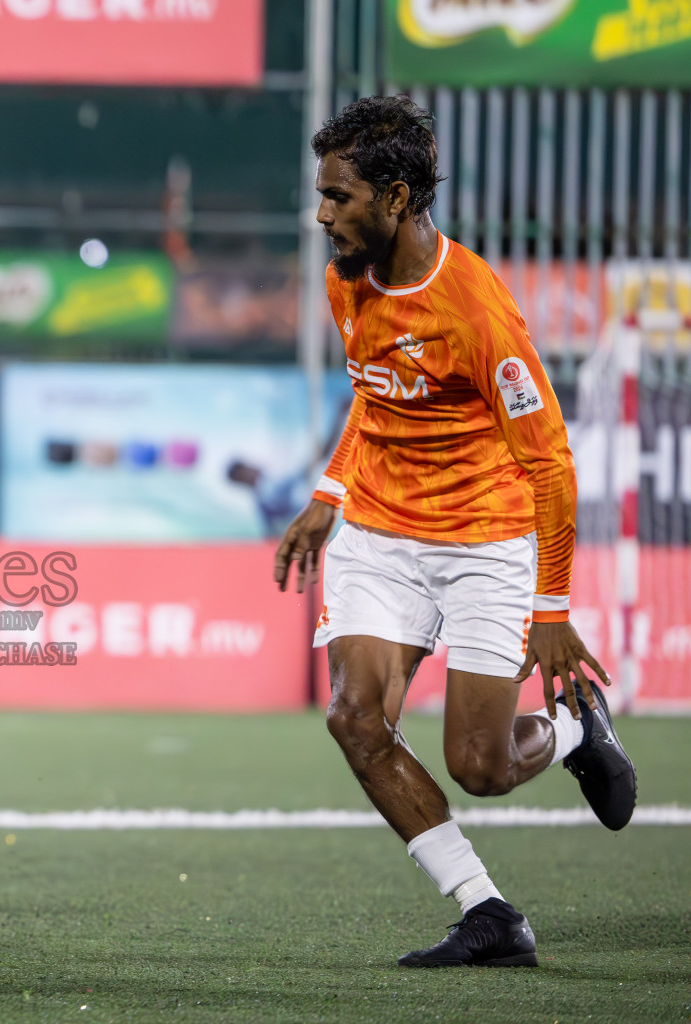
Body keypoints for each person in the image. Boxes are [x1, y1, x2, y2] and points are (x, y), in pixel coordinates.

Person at [274, 96, 637, 969]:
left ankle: (580, 731)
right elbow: (375, 390)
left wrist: (551, 610)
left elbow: (551, 466)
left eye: (339, 197)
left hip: (486, 542)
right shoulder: (345, 276)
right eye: (321, 195)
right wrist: (332, 486)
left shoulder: (477, 313)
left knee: (480, 763)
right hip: (381, 533)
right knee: (356, 718)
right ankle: (488, 913)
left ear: (397, 197)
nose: (322, 215)